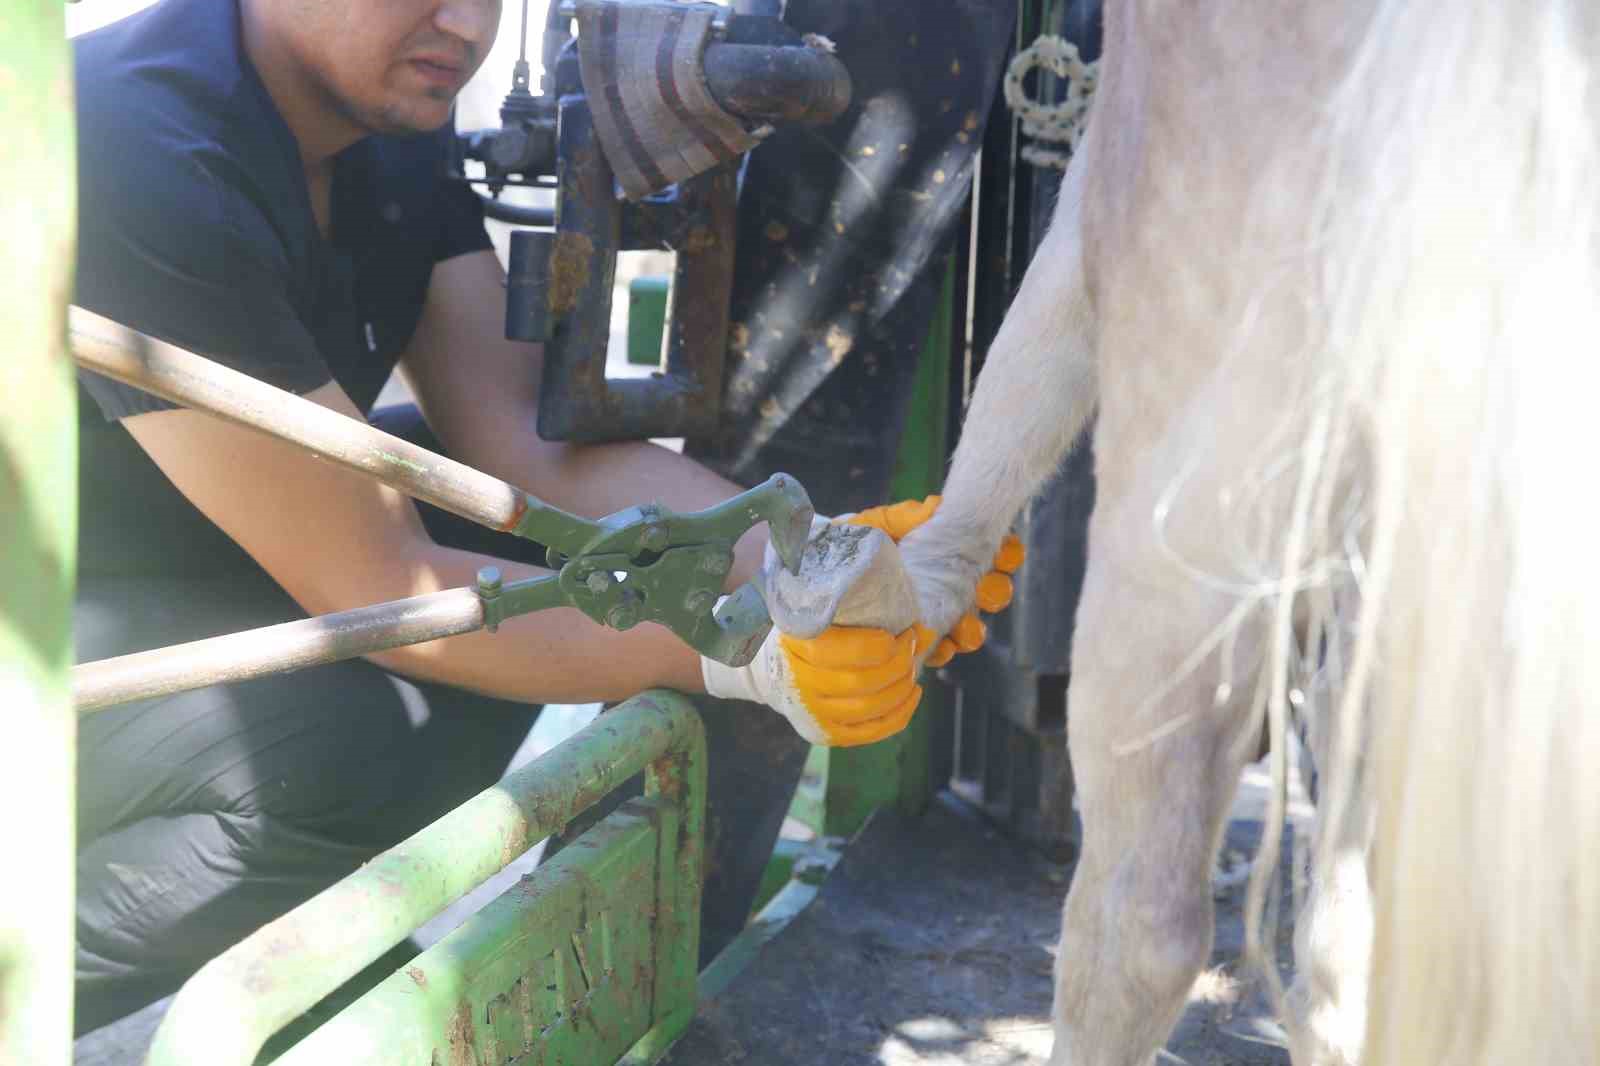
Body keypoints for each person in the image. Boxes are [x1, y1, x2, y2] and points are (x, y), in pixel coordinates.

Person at [69, 0, 1015, 1035]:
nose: (465, 24)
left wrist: (817, 558)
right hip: (52, 630)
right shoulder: (137, 152)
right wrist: (744, 654)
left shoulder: (383, 120)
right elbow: (384, 581)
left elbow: (522, 440)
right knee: (344, 753)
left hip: (185, 551)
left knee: (500, 584)